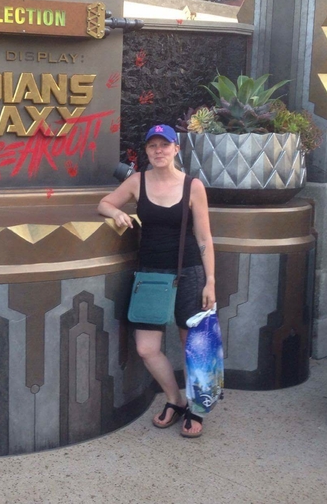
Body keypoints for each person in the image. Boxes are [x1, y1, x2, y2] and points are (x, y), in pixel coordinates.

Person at [98, 124, 215, 438]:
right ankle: (175, 399)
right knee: (146, 348)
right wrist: (116, 213)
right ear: (147, 151)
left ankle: (196, 407)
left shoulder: (193, 186)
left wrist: (210, 281)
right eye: (153, 146)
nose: (159, 150)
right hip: (150, 274)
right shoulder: (137, 182)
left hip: (189, 271)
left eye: (165, 145)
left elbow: (204, 237)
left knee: (192, 346)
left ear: (176, 149)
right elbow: (104, 203)